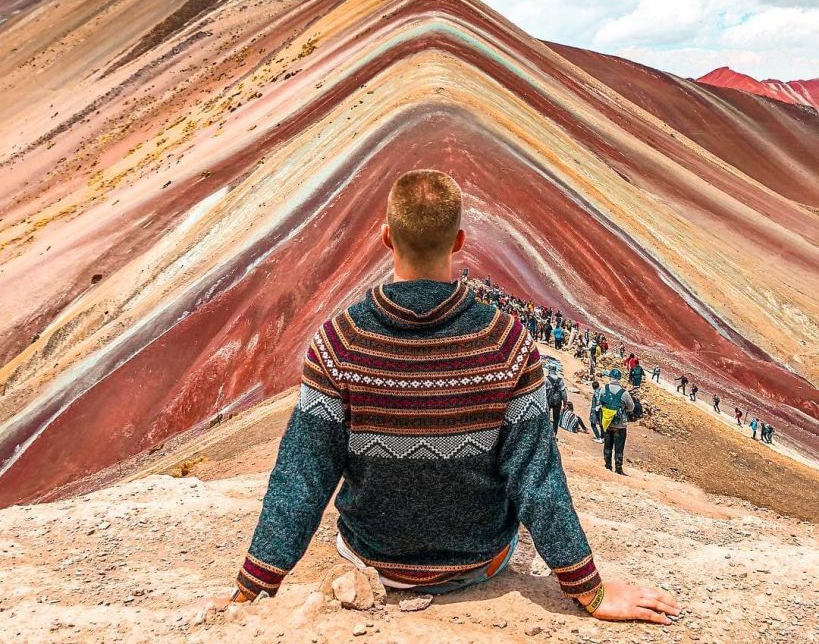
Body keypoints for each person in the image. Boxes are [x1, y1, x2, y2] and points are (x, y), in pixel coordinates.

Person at [214, 169, 678, 623]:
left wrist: (253, 585)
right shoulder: (507, 342)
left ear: (385, 238)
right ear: (459, 242)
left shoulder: (340, 342)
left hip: (373, 560)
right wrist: (589, 590)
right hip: (481, 562)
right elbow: (536, 476)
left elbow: (303, 473)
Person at [599, 369, 635, 476]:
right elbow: (631, 407)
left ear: (610, 377)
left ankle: (607, 466)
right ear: (619, 379)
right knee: (619, 447)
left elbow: (600, 401)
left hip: (607, 423)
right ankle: (618, 468)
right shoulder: (624, 393)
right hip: (620, 425)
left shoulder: (603, 389)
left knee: (607, 445)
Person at [545, 358, 569, 436]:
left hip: (548, 401)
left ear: (549, 370)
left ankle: (546, 432)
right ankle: (554, 433)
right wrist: (565, 403)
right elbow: (563, 392)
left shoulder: (546, 379)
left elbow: (544, 391)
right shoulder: (560, 380)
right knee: (556, 418)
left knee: (547, 417)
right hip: (558, 402)